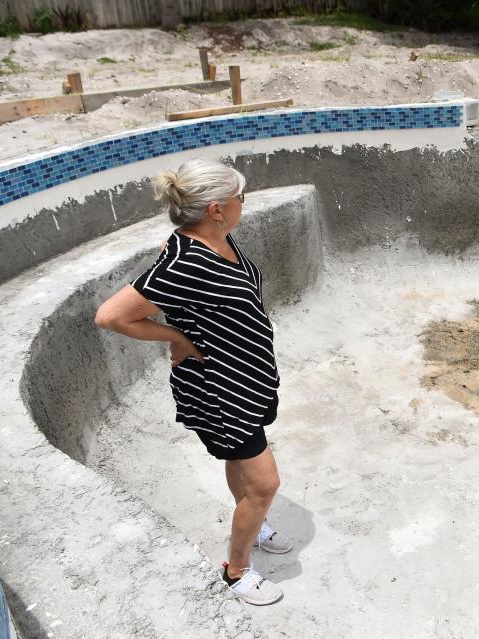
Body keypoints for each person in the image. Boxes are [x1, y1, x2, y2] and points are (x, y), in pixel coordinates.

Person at [95, 158, 291, 606]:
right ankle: (237, 571)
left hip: (248, 376)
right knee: (264, 484)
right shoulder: (186, 261)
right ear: (217, 209)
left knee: (240, 462)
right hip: (221, 388)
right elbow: (111, 316)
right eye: (240, 197)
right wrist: (175, 335)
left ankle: (255, 525)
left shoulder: (218, 239)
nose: (245, 203)